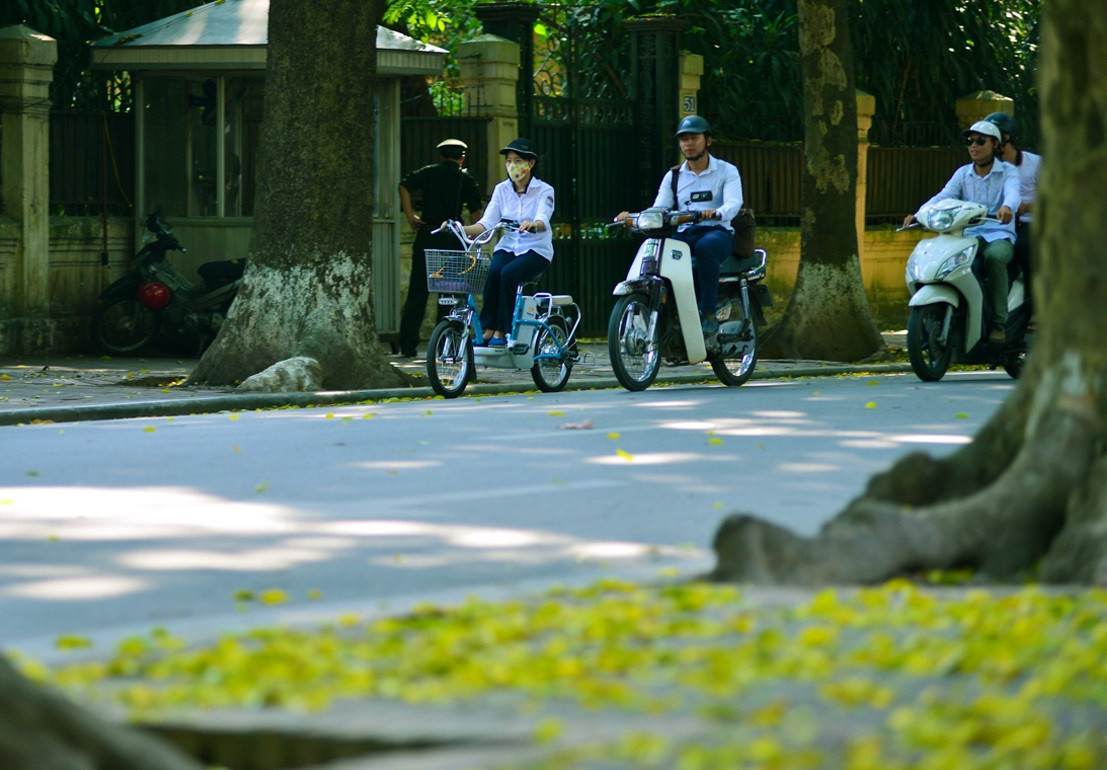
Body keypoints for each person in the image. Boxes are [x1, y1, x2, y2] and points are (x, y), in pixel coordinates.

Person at [616, 114, 743, 339]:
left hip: (717, 231)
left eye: (694, 138)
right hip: (684, 232)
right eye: (683, 139)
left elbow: (734, 203)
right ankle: (665, 310)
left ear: (708, 141)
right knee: (659, 250)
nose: (688, 144)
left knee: (707, 247)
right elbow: (660, 208)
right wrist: (632, 218)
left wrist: (716, 212)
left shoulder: (726, 171)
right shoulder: (673, 176)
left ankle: (709, 315)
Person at [903, 120, 1020, 344]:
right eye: (969, 141)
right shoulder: (963, 173)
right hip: (968, 237)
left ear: (995, 144)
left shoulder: (1008, 172)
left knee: (995, 258)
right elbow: (943, 196)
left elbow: (1013, 194)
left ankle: (998, 322)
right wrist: (919, 213)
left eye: (980, 141)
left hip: (999, 234)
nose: (973, 145)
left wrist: (1007, 208)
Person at [455, 138, 555, 347]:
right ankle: (487, 329)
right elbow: (485, 224)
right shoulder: (501, 190)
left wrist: (533, 224)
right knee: (493, 272)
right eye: (509, 160)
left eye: (518, 160)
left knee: (508, 274)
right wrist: (459, 228)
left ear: (531, 163)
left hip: (536, 250)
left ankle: (503, 330)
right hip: (509, 246)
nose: (512, 165)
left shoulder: (544, 190)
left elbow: (543, 219)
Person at [397, 138, 483, 358]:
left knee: (417, 291)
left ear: (441, 156)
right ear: (462, 157)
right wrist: (472, 239)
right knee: (449, 294)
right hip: (452, 240)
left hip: (426, 237)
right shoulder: (466, 178)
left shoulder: (428, 172)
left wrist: (410, 216)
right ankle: (445, 345)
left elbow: (403, 186)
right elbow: (475, 213)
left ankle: (407, 345)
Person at [984, 111, 1040, 288]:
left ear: (1006, 137)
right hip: (994, 222)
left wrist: (1027, 207)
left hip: (1026, 222)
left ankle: (1036, 306)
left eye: (989, 137)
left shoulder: (1037, 163)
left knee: (1025, 248)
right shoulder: (986, 165)